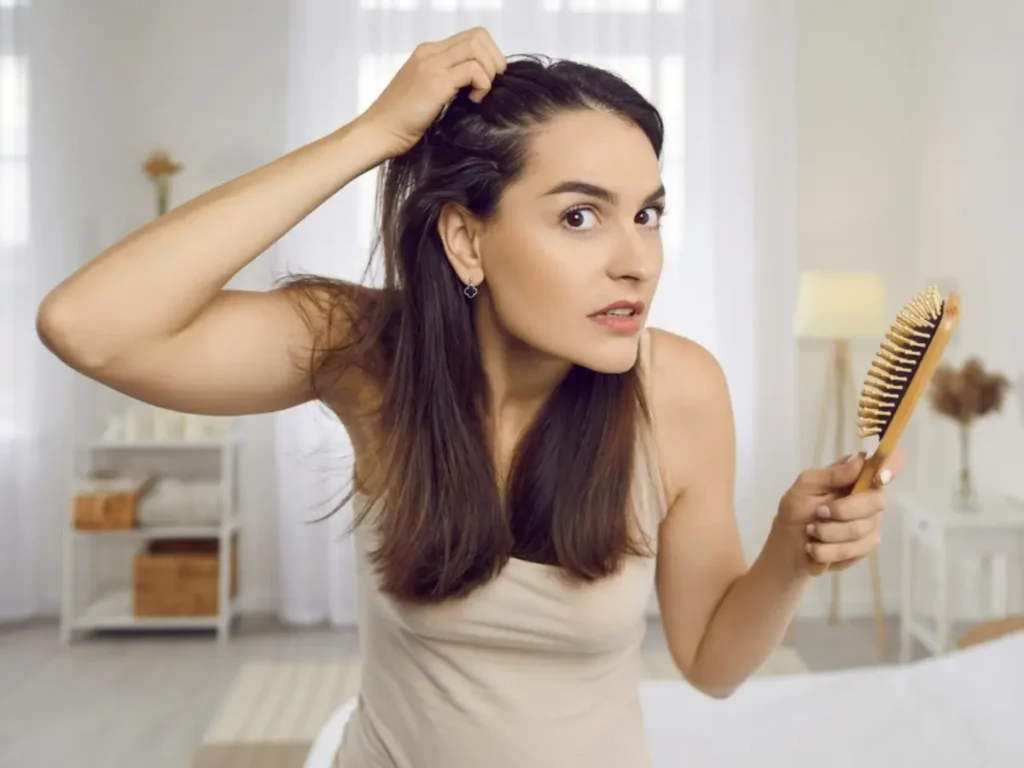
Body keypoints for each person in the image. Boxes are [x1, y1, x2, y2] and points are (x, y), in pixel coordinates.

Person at [37, 27, 903, 768]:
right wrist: (373, 133)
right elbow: (91, 326)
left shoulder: (679, 391)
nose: (637, 260)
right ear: (465, 239)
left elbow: (712, 663)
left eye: (648, 213)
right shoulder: (367, 354)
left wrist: (793, 552)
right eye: (579, 216)